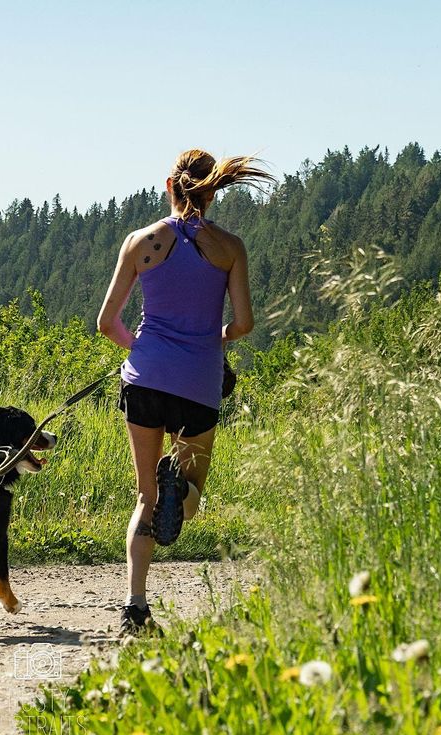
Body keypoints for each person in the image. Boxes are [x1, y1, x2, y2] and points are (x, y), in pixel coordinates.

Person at [96, 149, 269, 634]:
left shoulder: (140, 241)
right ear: (213, 192)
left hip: (145, 378)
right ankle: (182, 492)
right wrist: (214, 340)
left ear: (168, 186)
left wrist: (141, 349)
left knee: (143, 497)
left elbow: (106, 323)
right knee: (190, 498)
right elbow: (244, 323)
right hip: (198, 383)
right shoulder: (230, 247)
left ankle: (134, 605)